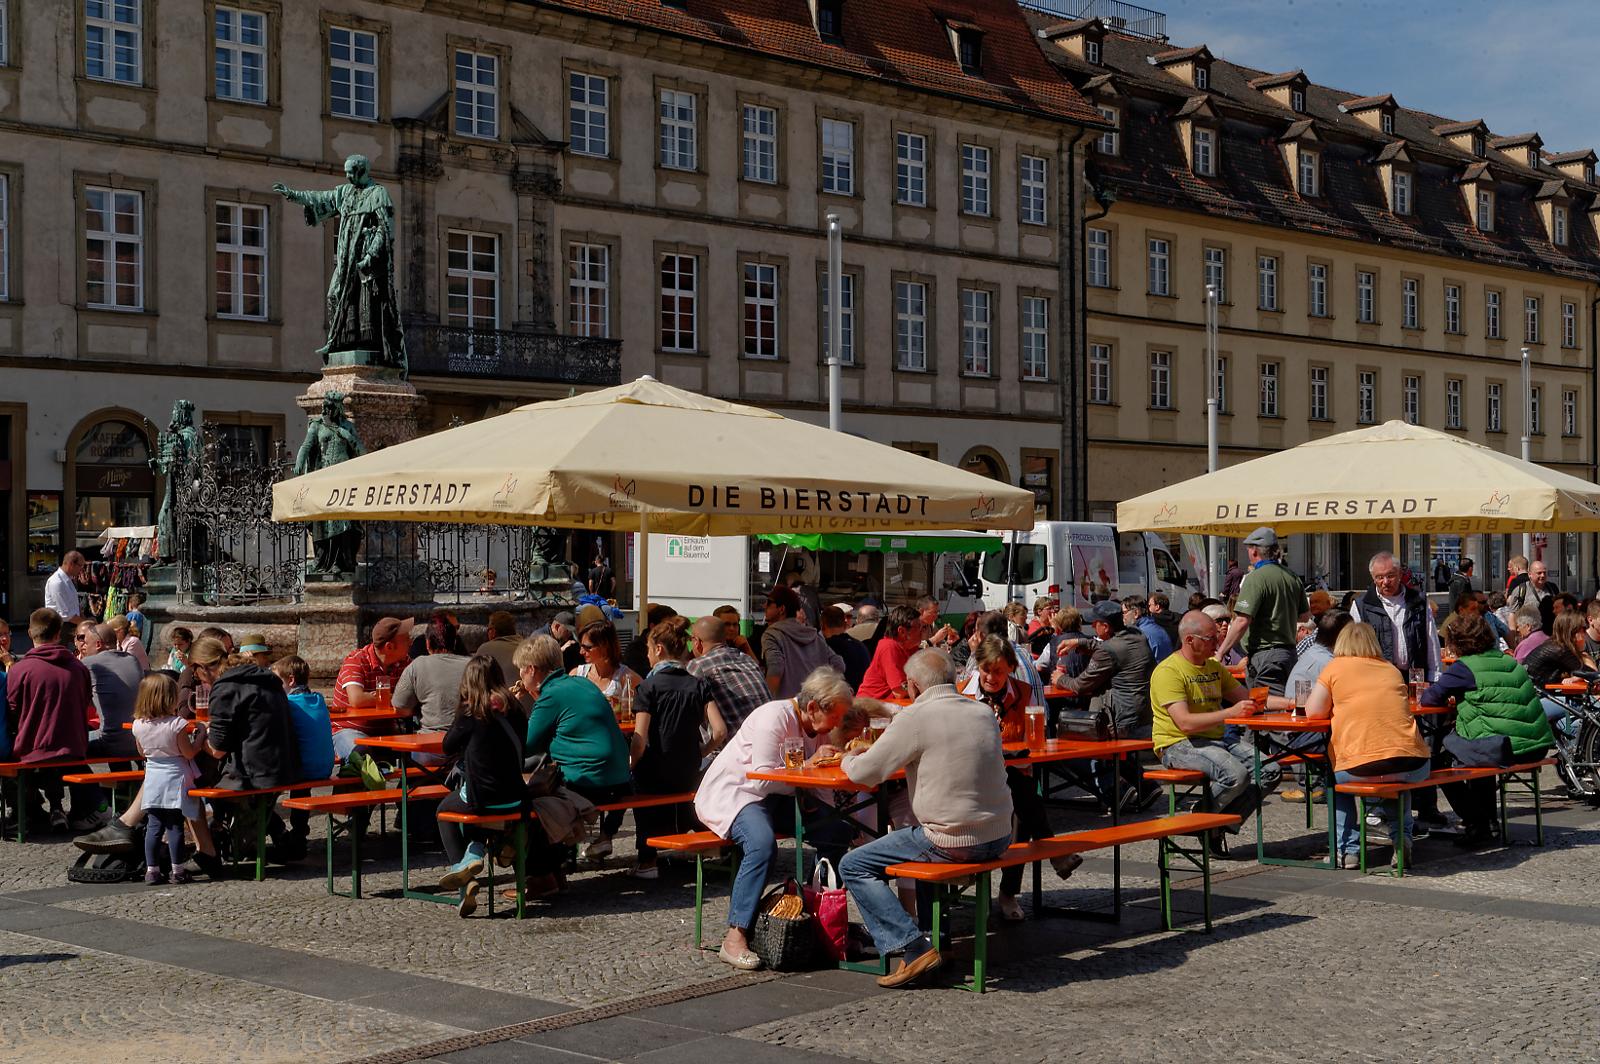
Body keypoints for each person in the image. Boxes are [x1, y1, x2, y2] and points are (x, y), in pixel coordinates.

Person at [840, 650, 1014, 988]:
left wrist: (849, 758)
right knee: (915, 842)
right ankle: (940, 939)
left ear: (913, 685)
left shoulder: (914, 717)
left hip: (952, 840)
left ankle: (914, 946)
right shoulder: (981, 711)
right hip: (1000, 834)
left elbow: (866, 774)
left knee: (854, 865)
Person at [694, 668, 855, 970]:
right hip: (739, 793)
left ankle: (818, 917)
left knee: (835, 831)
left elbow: (802, 778)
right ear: (812, 708)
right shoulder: (774, 716)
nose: (837, 724)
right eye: (835, 717)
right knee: (761, 843)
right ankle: (735, 935)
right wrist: (809, 768)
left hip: (779, 797)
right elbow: (762, 780)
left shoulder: (813, 727)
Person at [1304, 623, 1433, 868]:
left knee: (1337, 783)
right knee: (1394, 780)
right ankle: (1402, 838)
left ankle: (1347, 851)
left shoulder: (1335, 668)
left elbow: (1313, 712)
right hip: (1413, 763)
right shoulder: (1391, 669)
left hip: (1360, 766)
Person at [1423, 612, 1554, 848]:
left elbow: (1430, 698)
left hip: (1502, 749)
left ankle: (1479, 822)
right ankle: (1486, 823)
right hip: (1536, 746)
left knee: (1439, 763)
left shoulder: (1464, 668)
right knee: (1478, 749)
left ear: (1456, 642)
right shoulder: (1508, 661)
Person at [1151, 610, 1283, 843]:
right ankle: (1203, 818)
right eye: (1211, 638)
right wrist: (1230, 713)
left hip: (1216, 739)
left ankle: (1217, 823)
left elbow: (1249, 698)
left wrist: (1293, 702)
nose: (1218, 642)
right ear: (1190, 640)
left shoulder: (1213, 667)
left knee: (1270, 771)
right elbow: (1185, 723)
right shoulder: (1168, 672)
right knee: (1236, 775)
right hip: (1178, 743)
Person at [963, 637, 1070, 921]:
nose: (991, 677)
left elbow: (1032, 740)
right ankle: (1053, 850)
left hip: (1011, 775)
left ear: (1011, 668)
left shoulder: (1022, 692)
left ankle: (1008, 892)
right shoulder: (963, 695)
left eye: (998, 671)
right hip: (971, 780)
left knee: (1020, 812)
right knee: (1022, 795)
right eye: (986, 670)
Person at [517, 634, 634, 875]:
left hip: (589, 782)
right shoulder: (582, 683)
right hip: (621, 778)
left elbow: (525, 745)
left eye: (521, 670)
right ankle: (557, 867)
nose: (520, 676)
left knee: (530, 802)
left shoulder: (551, 695)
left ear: (531, 669)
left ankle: (542, 876)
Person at [631, 617, 727, 878]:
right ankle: (706, 842)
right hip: (688, 770)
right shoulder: (698, 684)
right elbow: (720, 731)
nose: (648, 656)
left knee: (637, 785)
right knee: (687, 791)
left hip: (655, 772)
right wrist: (702, 752)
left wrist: (630, 763)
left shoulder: (647, 687)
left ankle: (647, 860)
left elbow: (639, 739)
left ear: (659, 649)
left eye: (649, 650)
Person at [434, 656, 528, 917]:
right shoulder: (515, 707)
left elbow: (447, 746)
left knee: (444, 811)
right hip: (516, 796)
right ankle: (474, 852)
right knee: (475, 808)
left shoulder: (472, 711)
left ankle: (462, 876)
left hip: (483, 797)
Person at [203, 635, 308, 859]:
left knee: (192, 782)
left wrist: (200, 739)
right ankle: (272, 834)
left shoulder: (227, 687)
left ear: (203, 668)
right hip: (283, 766)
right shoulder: (269, 680)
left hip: (255, 772)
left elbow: (218, 748)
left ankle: (209, 849)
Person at [1051, 600, 1156, 807]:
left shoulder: (1108, 651)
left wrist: (1058, 679)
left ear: (1105, 627)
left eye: (1095, 624)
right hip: (1143, 716)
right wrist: (1080, 643)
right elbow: (1110, 646)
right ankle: (1147, 786)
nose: (1093, 628)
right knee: (1107, 745)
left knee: (1064, 744)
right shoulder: (1137, 635)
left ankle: (1115, 791)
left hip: (1120, 721)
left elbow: (1080, 685)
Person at [6, 609, 98, 829]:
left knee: (23, 751)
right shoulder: (79, 668)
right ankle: (56, 808)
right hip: (74, 746)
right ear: (59, 633)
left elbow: (12, 709)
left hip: (32, 747)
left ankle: (27, 809)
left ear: (30, 633)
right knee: (53, 743)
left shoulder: (20, 670)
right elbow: (86, 702)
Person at [131, 673, 207, 884]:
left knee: (154, 826)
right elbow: (189, 752)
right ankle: (178, 869)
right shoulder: (177, 724)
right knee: (174, 825)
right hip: (174, 777)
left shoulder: (138, 725)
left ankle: (152, 869)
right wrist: (200, 735)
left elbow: (142, 751)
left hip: (153, 776)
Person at [1215, 527, 1308, 698]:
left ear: (1255, 551)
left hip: (1265, 655)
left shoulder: (1256, 578)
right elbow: (1304, 616)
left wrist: (1220, 653)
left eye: (1249, 549)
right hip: (1288, 653)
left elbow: (1242, 621)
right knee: (1282, 706)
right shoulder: (1292, 577)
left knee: (1265, 709)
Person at [1278, 609, 1354, 803]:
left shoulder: (1315, 654)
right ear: (1342, 636)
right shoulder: (1329, 663)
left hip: (1300, 730)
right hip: (1303, 735)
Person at [330, 616, 413, 760]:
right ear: (389, 647)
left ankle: (410, 783)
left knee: (420, 753)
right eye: (406, 639)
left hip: (385, 731)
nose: (410, 642)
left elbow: (415, 696)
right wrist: (394, 696)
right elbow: (357, 699)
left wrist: (376, 697)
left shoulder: (404, 662)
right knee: (360, 754)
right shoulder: (356, 660)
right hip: (348, 730)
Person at [1356, 551, 1442, 681]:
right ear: (1373, 578)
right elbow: (1354, 648)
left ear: (1400, 574)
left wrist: (1435, 677)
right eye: (1379, 577)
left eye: (1390, 576)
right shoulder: (1361, 606)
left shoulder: (1419, 602)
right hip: (1378, 679)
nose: (1385, 582)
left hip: (1414, 678)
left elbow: (1431, 641)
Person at [392, 615, 472, 745]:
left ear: (427, 643)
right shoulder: (473, 665)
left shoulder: (417, 665)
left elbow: (400, 708)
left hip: (428, 746)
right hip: (466, 746)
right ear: (455, 641)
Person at [688, 614, 772, 735]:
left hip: (732, 747)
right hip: (767, 738)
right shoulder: (746, 659)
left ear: (697, 642)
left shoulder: (699, 666)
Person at [760, 586, 843, 698]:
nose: (764, 605)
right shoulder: (814, 635)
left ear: (781, 609)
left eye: (769, 603)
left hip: (787, 707)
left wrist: (765, 701)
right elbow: (838, 664)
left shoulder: (772, 634)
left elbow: (776, 667)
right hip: (814, 704)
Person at [270, 656, 335, 782]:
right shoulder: (319, 699)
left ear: (291, 680)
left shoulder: (289, 704)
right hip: (325, 768)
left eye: (276, 681)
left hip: (303, 771)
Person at [1521, 611, 1585, 731]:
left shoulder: (1555, 645)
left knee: (1570, 722)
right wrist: (1578, 675)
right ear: (1573, 632)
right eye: (1583, 630)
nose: (1585, 634)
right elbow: (1587, 673)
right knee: (1582, 705)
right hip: (1534, 703)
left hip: (1532, 700)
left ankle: (1572, 746)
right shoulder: (1560, 650)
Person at [572, 619, 641, 710]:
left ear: (604, 646)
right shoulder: (577, 675)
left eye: (588, 647)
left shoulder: (626, 677)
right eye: (581, 646)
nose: (581, 652)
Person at [857, 605, 924, 700]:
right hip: (871, 706)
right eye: (918, 628)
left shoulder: (911, 647)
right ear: (902, 631)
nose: (922, 632)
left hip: (890, 704)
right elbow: (899, 692)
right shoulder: (888, 646)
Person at [820, 605, 871, 689]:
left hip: (842, 698)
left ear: (823, 625)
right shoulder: (860, 645)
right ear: (844, 625)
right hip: (863, 696)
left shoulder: (825, 648)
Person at [623, 604, 677, 678]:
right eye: (666, 628)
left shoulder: (677, 645)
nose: (671, 632)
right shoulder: (635, 649)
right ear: (653, 626)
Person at [1123, 595, 1174, 663]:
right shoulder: (1157, 628)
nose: (1123, 616)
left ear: (1135, 613)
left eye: (1125, 612)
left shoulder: (1139, 634)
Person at [44, 551, 87, 623]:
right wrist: (86, 624)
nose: (81, 570)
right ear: (71, 564)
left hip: (72, 623)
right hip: (62, 627)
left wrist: (85, 619)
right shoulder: (57, 582)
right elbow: (66, 615)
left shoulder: (68, 580)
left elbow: (74, 606)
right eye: (80, 566)